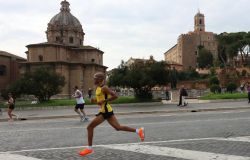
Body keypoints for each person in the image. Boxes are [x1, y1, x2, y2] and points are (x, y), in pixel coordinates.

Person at [79, 72, 145, 156]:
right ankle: (139, 131)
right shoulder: (98, 88)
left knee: (89, 127)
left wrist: (104, 101)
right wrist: (95, 100)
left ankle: (89, 149)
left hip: (105, 111)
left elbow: (115, 96)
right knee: (118, 127)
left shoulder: (104, 88)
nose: (94, 79)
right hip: (106, 110)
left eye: (95, 78)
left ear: (100, 79)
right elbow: (101, 99)